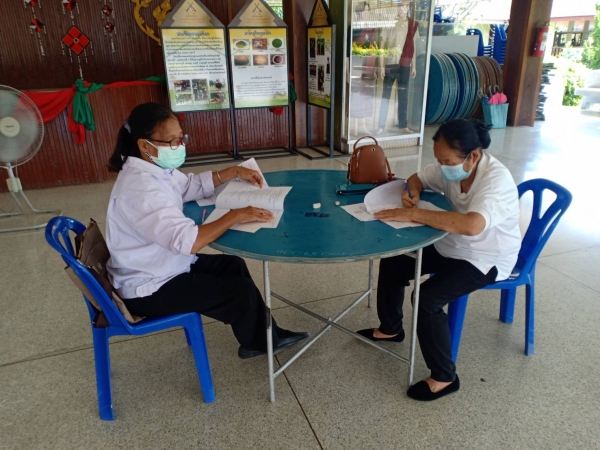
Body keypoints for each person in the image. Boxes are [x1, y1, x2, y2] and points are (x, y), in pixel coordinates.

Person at [105, 102, 309, 359]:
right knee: (240, 292)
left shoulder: (154, 169)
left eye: (181, 138)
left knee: (233, 265)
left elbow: (187, 186)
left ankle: (262, 336)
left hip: (161, 265)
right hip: (148, 288)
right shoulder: (142, 189)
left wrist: (233, 172)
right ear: (144, 145)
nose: (179, 146)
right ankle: (261, 342)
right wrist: (234, 215)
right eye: (172, 141)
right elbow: (188, 241)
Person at [357, 119, 521, 401]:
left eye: (447, 162)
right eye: (439, 160)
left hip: (486, 256)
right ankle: (391, 329)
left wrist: (414, 214)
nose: (443, 167)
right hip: (452, 242)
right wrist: (411, 192)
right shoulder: (452, 167)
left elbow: (472, 225)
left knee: (427, 298)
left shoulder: (496, 181)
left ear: (473, 156)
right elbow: (416, 178)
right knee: (394, 261)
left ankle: (445, 377)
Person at [375, 0, 419, 135]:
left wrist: (414, 66)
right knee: (386, 95)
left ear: (408, 7)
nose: (403, 8)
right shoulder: (390, 22)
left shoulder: (412, 24)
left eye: (405, 6)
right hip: (390, 63)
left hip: (405, 64)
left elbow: (413, 47)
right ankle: (381, 125)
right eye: (400, 5)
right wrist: (381, 66)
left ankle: (403, 125)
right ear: (397, 7)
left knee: (403, 96)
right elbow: (382, 45)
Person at [347, 1, 377, 137]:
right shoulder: (353, 27)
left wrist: (375, 69)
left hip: (369, 66)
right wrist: (347, 72)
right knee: (356, 95)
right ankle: (354, 126)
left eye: (367, 10)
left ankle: (363, 125)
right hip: (356, 66)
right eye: (364, 10)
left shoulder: (372, 28)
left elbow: (374, 49)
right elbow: (347, 52)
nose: (366, 13)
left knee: (366, 95)